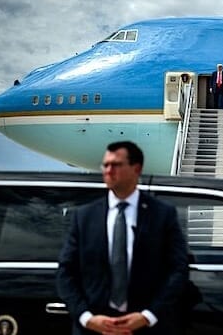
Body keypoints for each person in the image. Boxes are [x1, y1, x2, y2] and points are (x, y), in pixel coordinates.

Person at [56, 141, 189, 335]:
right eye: (105, 165)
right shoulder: (84, 217)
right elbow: (66, 272)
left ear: (136, 168)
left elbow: (178, 270)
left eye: (116, 165)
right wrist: (87, 318)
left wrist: (147, 316)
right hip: (93, 327)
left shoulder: (162, 215)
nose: (108, 170)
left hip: (145, 327)